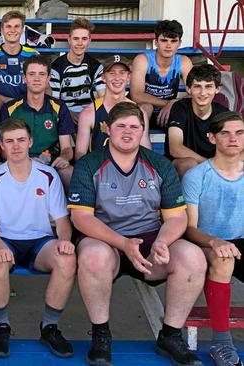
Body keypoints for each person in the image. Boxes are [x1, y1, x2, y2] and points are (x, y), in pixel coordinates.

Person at [69, 102, 205, 366]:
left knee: (193, 257)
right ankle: (101, 334)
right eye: (120, 126)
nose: (128, 132)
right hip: (106, 238)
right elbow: (81, 218)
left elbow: (177, 217)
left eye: (134, 126)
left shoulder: (159, 164)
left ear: (143, 130)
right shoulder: (89, 164)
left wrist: (163, 242)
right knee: (93, 257)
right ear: (108, 129)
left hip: (150, 240)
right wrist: (122, 243)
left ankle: (170, 335)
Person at [0, 118, 76, 359]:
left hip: (40, 240)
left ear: (30, 142)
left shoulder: (48, 174)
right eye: (9, 141)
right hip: (5, 239)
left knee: (66, 259)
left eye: (21, 140)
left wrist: (65, 240)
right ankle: (1, 326)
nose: (16, 146)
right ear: (1, 145)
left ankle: (49, 327)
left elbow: (63, 220)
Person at [182, 111, 244, 366]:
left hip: (240, 240)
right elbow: (189, 228)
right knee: (223, 259)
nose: (234, 139)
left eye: (240, 133)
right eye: (225, 133)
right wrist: (214, 242)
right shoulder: (197, 176)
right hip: (206, 242)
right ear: (212, 137)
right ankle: (221, 343)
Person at [0, 55, 76, 188]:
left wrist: (64, 158)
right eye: (31, 74)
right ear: (24, 78)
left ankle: (73, 209)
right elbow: (3, 150)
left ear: (48, 79)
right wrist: (25, 161)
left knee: (69, 172)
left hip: (50, 162)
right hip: (18, 161)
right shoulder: (10, 108)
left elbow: (67, 148)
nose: (36, 79)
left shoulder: (59, 107)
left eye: (41, 74)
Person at [76, 55, 151, 160]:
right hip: (99, 171)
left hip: (130, 171)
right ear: (103, 78)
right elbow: (80, 154)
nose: (117, 78)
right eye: (112, 73)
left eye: (122, 72)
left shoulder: (139, 112)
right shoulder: (89, 113)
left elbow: (146, 152)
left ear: (129, 77)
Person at [166, 64, 228, 177]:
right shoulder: (180, 108)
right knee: (189, 164)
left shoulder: (223, 113)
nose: (203, 93)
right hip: (182, 164)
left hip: (215, 166)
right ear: (188, 89)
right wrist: (208, 164)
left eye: (208, 86)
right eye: (197, 86)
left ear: (217, 89)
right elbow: (175, 149)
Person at [130, 20, 193, 127]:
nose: (168, 45)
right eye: (164, 40)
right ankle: (142, 143)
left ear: (180, 43)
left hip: (168, 112)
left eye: (173, 41)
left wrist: (175, 103)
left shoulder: (184, 62)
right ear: (156, 42)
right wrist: (170, 103)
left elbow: (194, 92)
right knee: (146, 107)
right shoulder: (143, 60)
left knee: (187, 114)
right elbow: (136, 95)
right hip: (142, 111)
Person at [0, 10, 39, 112]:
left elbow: (43, 86)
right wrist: (12, 102)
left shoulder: (33, 55)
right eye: (8, 26)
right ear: (2, 30)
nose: (12, 30)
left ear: (22, 30)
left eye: (16, 26)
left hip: (27, 103)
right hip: (2, 102)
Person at [49, 18, 105, 122]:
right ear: (69, 40)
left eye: (84, 39)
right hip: (64, 114)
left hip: (89, 113)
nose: (80, 43)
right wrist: (68, 114)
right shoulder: (56, 67)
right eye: (76, 39)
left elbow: (103, 96)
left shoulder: (95, 66)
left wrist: (88, 113)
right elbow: (54, 101)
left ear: (89, 41)